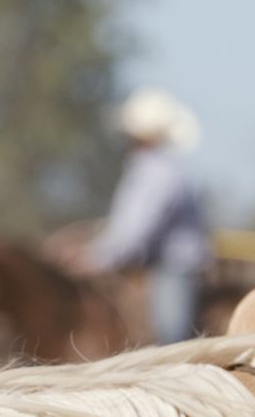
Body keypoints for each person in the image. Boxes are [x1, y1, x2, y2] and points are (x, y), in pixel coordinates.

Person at [85, 87, 211, 344]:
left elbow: (136, 232)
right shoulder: (147, 169)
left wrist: (97, 257)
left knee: (171, 335)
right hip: (147, 263)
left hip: (172, 266)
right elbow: (126, 228)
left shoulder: (161, 173)